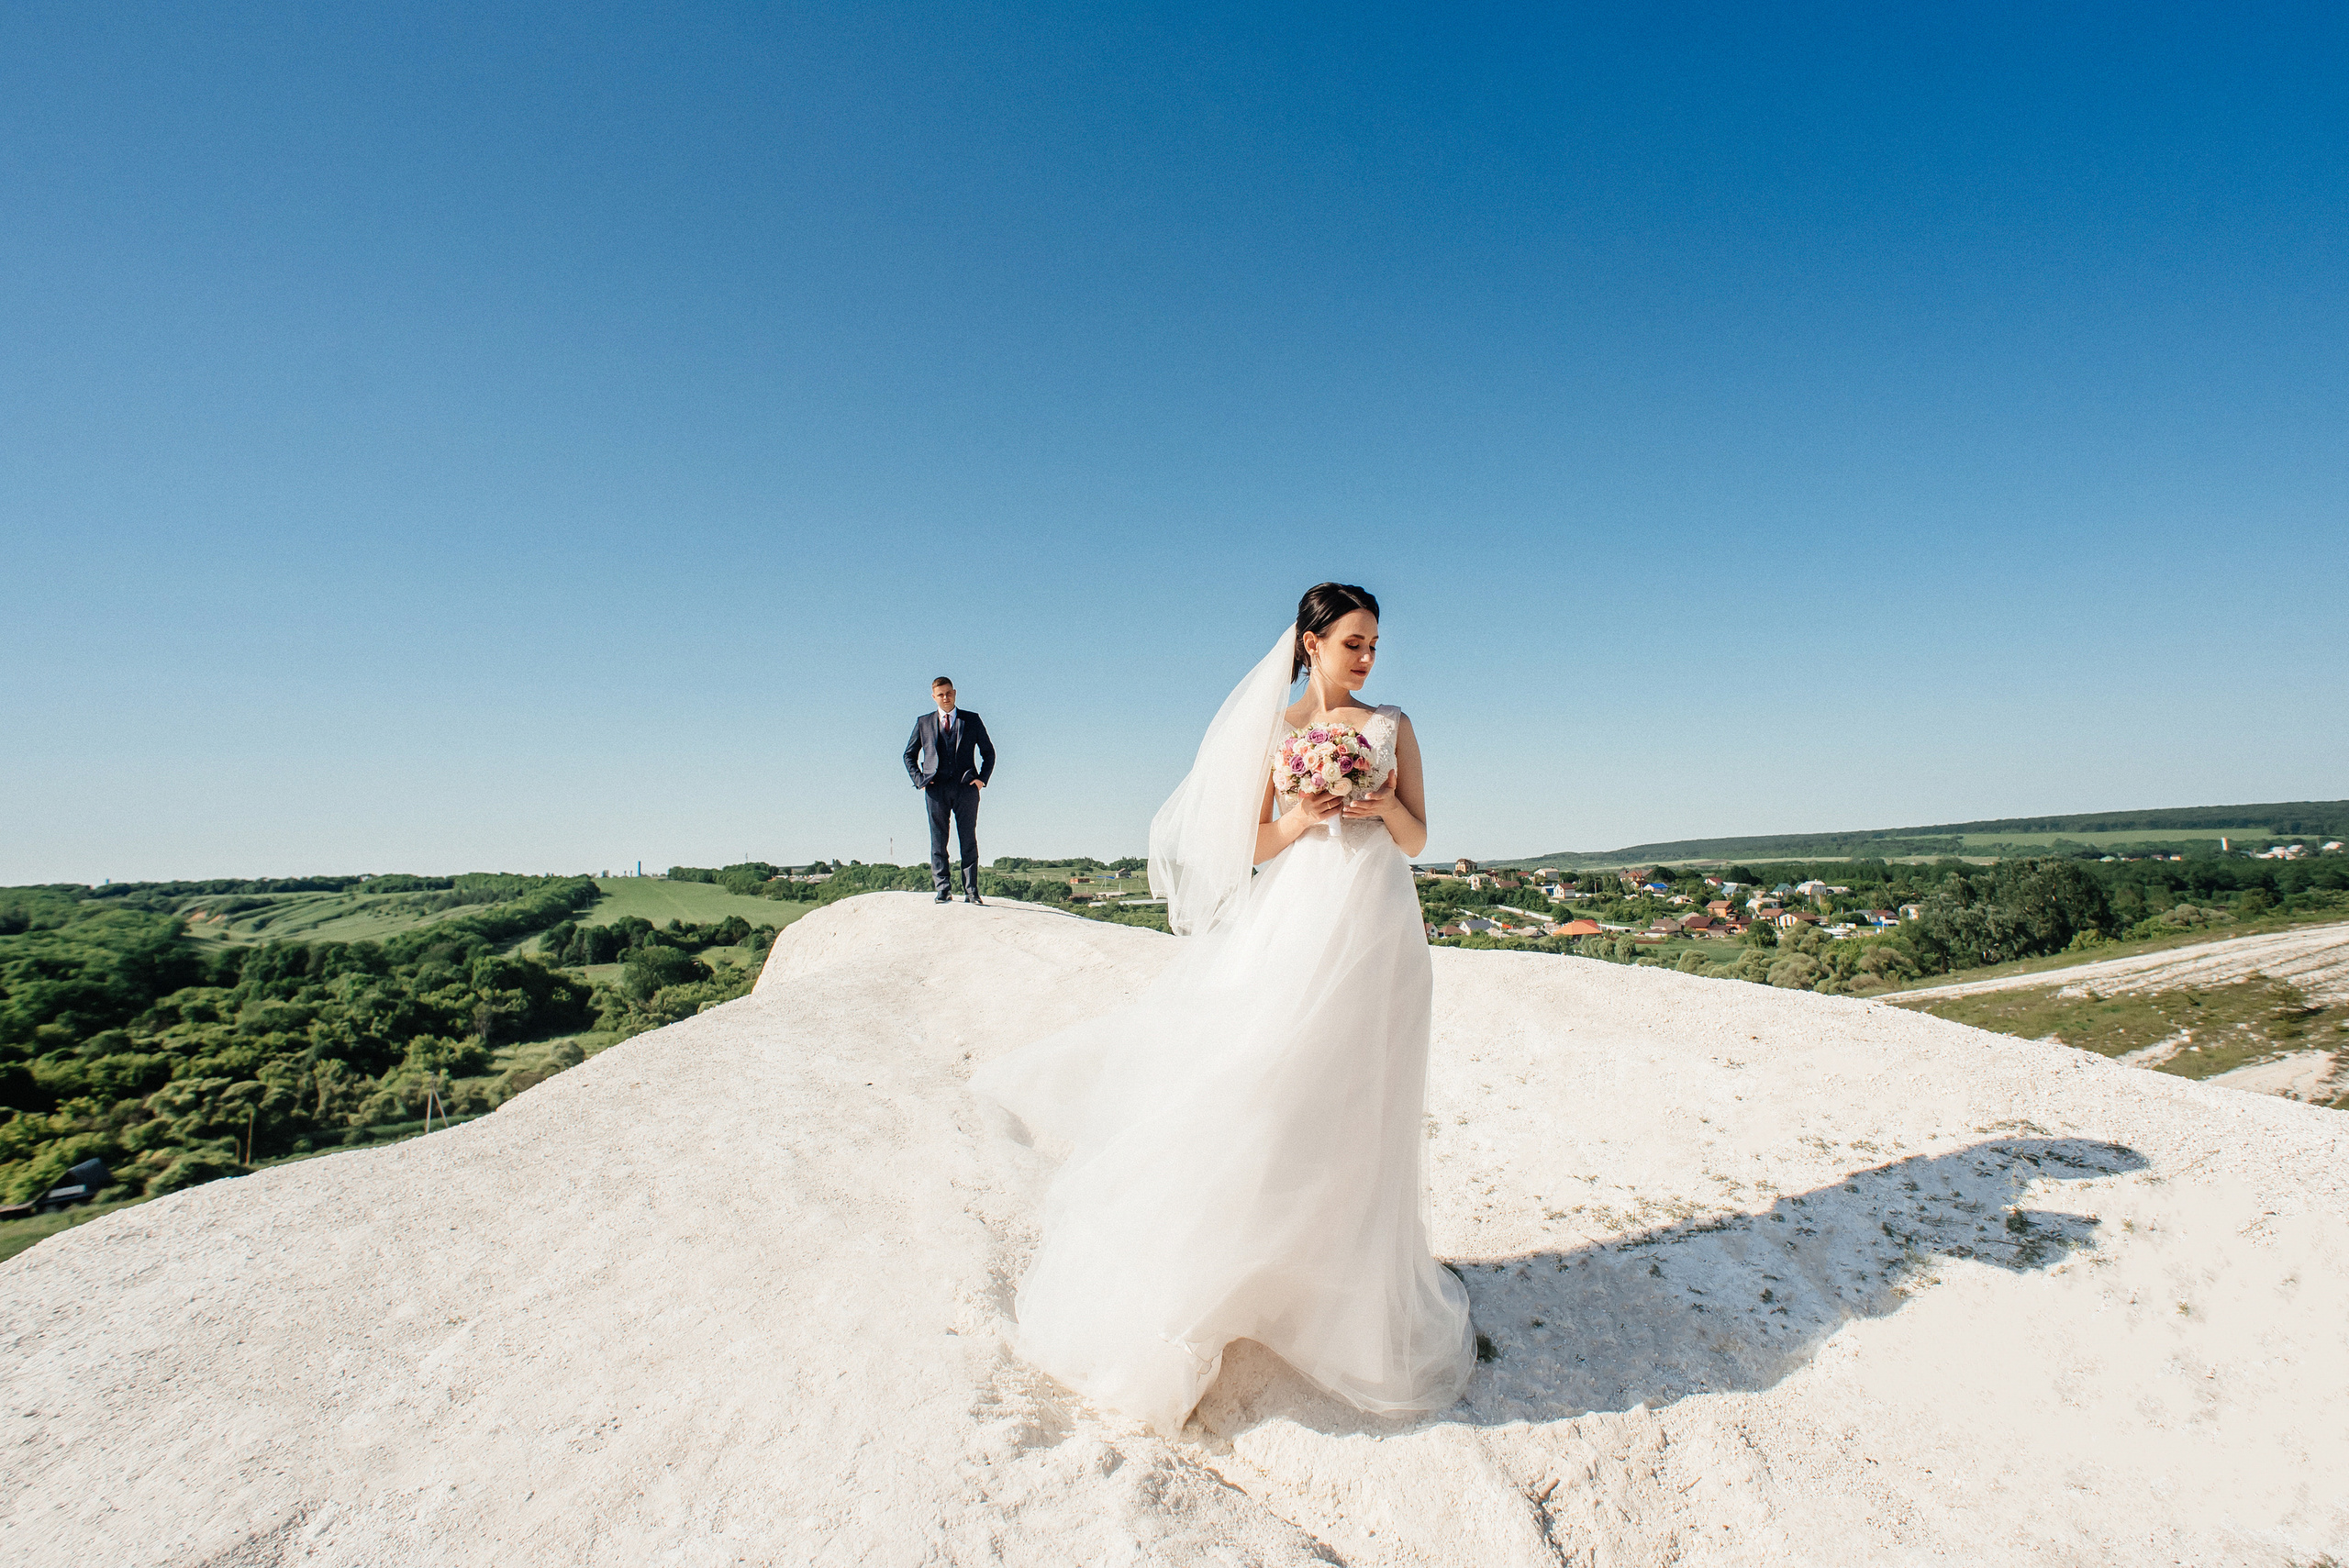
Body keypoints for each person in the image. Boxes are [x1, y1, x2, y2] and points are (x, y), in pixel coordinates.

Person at [971, 584, 1473, 1434]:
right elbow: (1246, 842)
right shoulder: (1275, 731)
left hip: (1382, 921)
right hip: (1301, 916)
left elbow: (1420, 837)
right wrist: (1305, 813)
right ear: (1311, 645)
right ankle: (1235, 1273)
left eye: (1375, 643)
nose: (1369, 657)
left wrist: (1382, 803)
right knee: (1272, 1081)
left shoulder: (1393, 724)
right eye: (1355, 642)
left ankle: (1348, 1288)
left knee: (1365, 1096)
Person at [904, 676, 996, 904]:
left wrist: (981, 780)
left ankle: (971, 891)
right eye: (940, 694)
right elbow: (909, 755)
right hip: (936, 789)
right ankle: (943, 888)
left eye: (949, 693)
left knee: (968, 840)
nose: (945, 698)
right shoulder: (923, 722)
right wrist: (920, 779)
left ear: (955, 693)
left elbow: (989, 753)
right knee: (938, 840)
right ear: (934, 697)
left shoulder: (971, 720)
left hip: (966, 788)